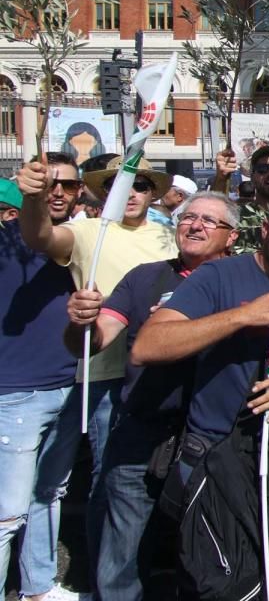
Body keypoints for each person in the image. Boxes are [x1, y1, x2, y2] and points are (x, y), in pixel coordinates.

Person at [133, 188, 269, 596]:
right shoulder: (219, 276)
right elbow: (148, 346)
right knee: (226, 582)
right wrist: (244, 315)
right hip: (219, 459)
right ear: (265, 229)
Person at [65, 191, 239, 601]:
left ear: (232, 237)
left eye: (209, 221)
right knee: (123, 551)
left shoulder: (244, 281)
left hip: (214, 439)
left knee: (205, 551)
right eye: (188, 217)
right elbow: (96, 338)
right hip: (142, 431)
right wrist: (80, 324)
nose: (195, 225)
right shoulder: (143, 277)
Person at [16, 153, 178, 589]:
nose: (129, 192)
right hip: (100, 373)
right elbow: (39, 237)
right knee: (97, 484)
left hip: (153, 373)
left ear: (152, 194)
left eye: (140, 185)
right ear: (102, 192)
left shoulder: (167, 237)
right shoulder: (90, 231)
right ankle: (95, 577)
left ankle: (132, 571)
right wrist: (33, 199)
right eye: (117, 185)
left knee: (136, 482)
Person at [0, 163, 82, 601]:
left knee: (49, 494)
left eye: (66, 184)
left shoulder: (85, 240)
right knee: (5, 513)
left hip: (71, 387)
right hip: (15, 394)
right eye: (48, 184)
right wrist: (29, 200)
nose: (57, 191)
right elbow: (38, 233)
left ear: (79, 192)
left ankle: (38, 587)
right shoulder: (8, 243)